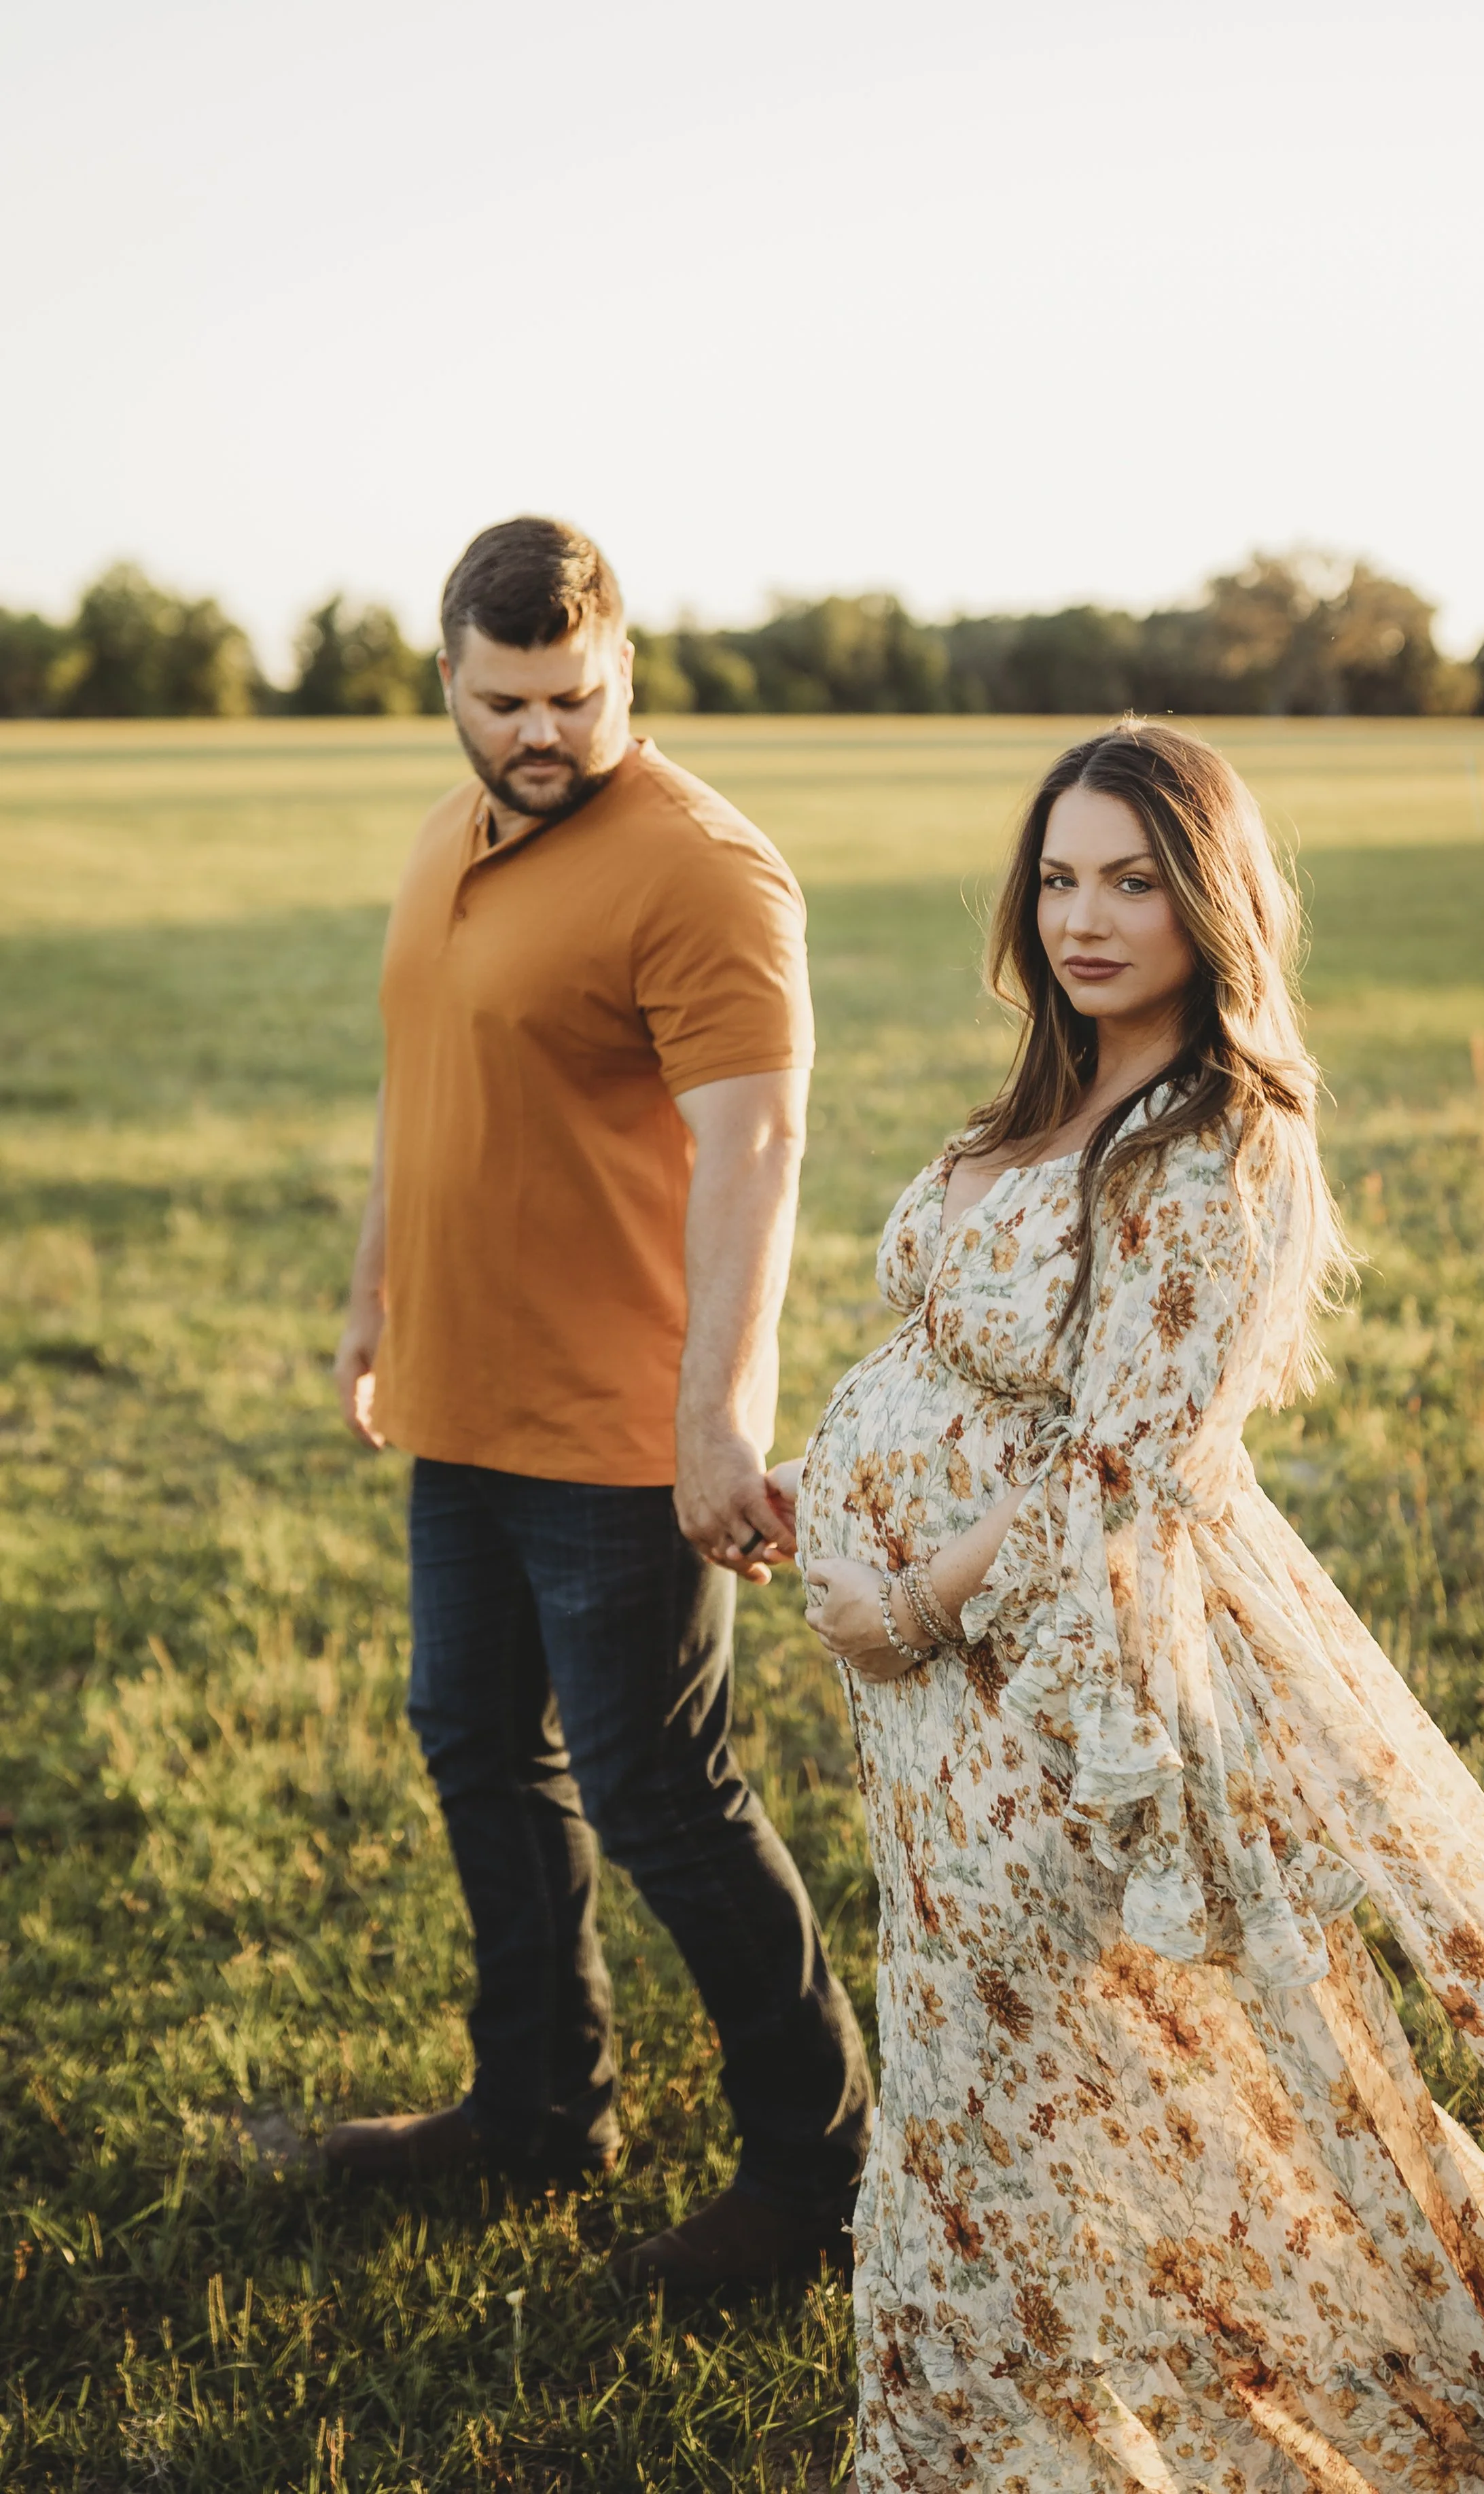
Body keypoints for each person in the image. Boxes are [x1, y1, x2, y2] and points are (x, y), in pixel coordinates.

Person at [783, 720, 1484, 2488]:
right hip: (939, 1706)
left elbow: (1119, 1469)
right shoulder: (1048, 1091)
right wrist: (823, 1497)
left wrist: (903, 1595)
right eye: (1058, 877)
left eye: (1132, 877)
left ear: (1213, 896)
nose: (1085, 915)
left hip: (1059, 1690)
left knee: (1055, 2096)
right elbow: (960, 1358)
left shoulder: (1216, 1144)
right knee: (1004, 2082)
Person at [325, 515, 869, 2290]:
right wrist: (373, 1293)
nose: (540, 733)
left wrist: (716, 1419)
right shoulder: (449, 835)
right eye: (505, 702)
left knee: (661, 1795)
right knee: (476, 1743)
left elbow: (758, 1148)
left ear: (622, 668)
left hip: (618, 1433)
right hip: (461, 1405)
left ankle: (820, 2178)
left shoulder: (704, 869)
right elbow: (425, 1085)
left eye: (572, 697)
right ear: (449, 684)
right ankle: (539, 2105)